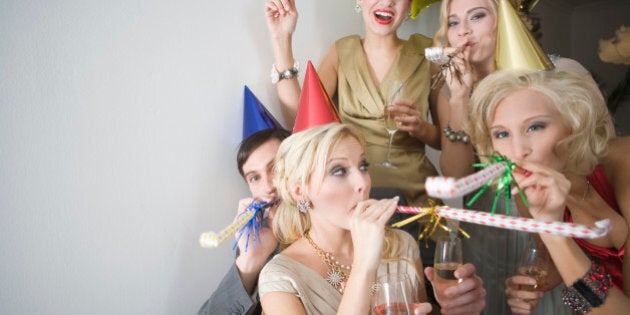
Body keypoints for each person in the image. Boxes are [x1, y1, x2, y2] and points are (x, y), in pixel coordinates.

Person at [432, 1, 603, 313]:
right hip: (489, 228)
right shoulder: (452, 90)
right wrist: (459, 99)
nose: (464, 31)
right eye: (454, 23)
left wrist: (559, 236)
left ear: (506, 19)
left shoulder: (561, 73)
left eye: (477, 16)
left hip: (558, 217)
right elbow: (456, 180)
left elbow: (599, 161)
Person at [258, 123, 486, 315]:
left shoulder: (402, 245)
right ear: (299, 192)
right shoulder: (280, 278)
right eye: (339, 171)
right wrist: (365, 263)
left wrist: (454, 308)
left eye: (362, 166)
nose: (363, 183)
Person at [468, 69, 628, 315]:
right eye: (502, 134)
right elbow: (566, 274)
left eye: (535, 127)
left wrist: (554, 232)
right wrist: (533, 285)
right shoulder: (530, 196)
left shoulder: (624, 162)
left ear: (575, 122)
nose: (518, 151)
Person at [264, 0, 441, 207]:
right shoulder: (342, 51)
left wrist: (423, 129)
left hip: (414, 194)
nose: (387, 2)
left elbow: (449, 141)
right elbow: (300, 123)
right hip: (352, 194)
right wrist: (281, 40)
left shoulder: (429, 52)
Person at [198, 128, 290, 315]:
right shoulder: (256, 239)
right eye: (255, 178)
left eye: (276, 168)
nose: (268, 187)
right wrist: (249, 263)